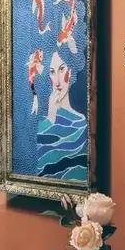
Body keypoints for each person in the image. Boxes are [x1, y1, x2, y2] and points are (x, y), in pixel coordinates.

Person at [35, 51, 87, 180]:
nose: (57, 82)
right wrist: (50, 119)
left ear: (71, 71)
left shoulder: (82, 123)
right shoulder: (41, 123)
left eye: (62, 69)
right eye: (52, 72)